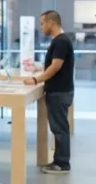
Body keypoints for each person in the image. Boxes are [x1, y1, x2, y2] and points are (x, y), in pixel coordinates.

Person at [26, 10, 74, 174]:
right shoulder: (60, 41)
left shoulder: (60, 42)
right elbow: (53, 64)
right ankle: (59, 161)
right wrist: (39, 68)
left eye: (42, 23)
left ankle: (62, 163)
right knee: (59, 127)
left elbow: (56, 66)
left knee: (59, 128)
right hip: (60, 90)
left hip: (59, 91)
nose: (41, 27)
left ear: (51, 23)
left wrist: (35, 80)